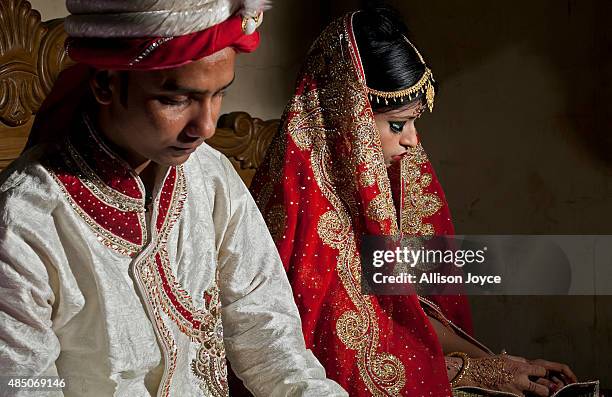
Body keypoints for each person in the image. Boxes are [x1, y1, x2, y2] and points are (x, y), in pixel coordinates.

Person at [0, 1, 348, 396]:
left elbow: (271, 341)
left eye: (218, 95)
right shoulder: (26, 221)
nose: (206, 126)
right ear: (104, 83)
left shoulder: (211, 176)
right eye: (176, 99)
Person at [250, 6, 580, 396]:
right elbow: (331, 359)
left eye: (414, 122)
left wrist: (504, 364)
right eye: (397, 124)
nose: (412, 140)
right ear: (348, 120)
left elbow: (409, 313)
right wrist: (468, 372)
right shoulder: (301, 212)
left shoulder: (379, 191)